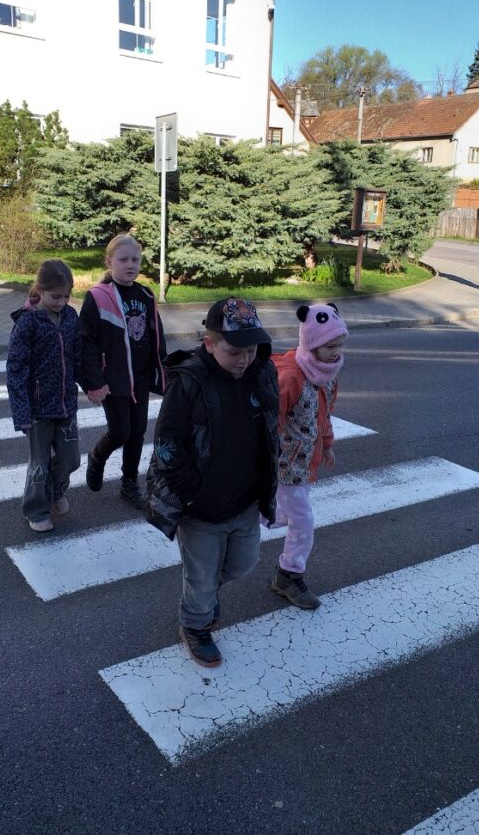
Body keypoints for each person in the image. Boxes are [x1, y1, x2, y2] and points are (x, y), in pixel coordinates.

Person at [144, 297, 279, 668]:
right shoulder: (189, 382)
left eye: (251, 350)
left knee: (244, 563)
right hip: (200, 508)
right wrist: (192, 495)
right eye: (234, 351)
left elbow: (270, 429)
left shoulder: (262, 371)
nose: (244, 359)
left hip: (245, 500)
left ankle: (204, 595)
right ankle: (195, 624)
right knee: (201, 576)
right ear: (209, 343)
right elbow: (168, 446)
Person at [266, 302, 348, 610]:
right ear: (311, 344)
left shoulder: (327, 373)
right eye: (330, 346)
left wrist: (326, 444)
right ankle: (289, 574)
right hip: (285, 465)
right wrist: (263, 460)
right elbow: (270, 422)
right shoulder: (291, 377)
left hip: (303, 463)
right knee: (302, 522)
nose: (337, 353)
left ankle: (250, 514)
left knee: (285, 514)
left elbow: (324, 413)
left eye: (340, 345)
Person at [80, 234, 166, 509]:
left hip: (140, 377)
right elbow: (86, 342)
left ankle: (129, 483)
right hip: (113, 378)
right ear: (109, 262)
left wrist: (163, 372)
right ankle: (97, 456)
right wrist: (94, 381)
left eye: (135, 260)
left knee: (138, 431)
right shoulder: (98, 297)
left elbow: (156, 336)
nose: (130, 265)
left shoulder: (145, 295)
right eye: (123, 260)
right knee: (120, 431)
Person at [6, 259, 82, 533]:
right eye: (55, 296)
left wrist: (93, 384)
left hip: (66, 403)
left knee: (71, 458)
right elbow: (16, 370)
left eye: (66, 296)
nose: (61, 302)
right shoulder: (28, 322)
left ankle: (56, 490)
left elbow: (78, 356)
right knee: (39, 464)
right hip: (38, 409)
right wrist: (21, 413)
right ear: (40, 290)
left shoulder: (71, 316)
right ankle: (37, 510)